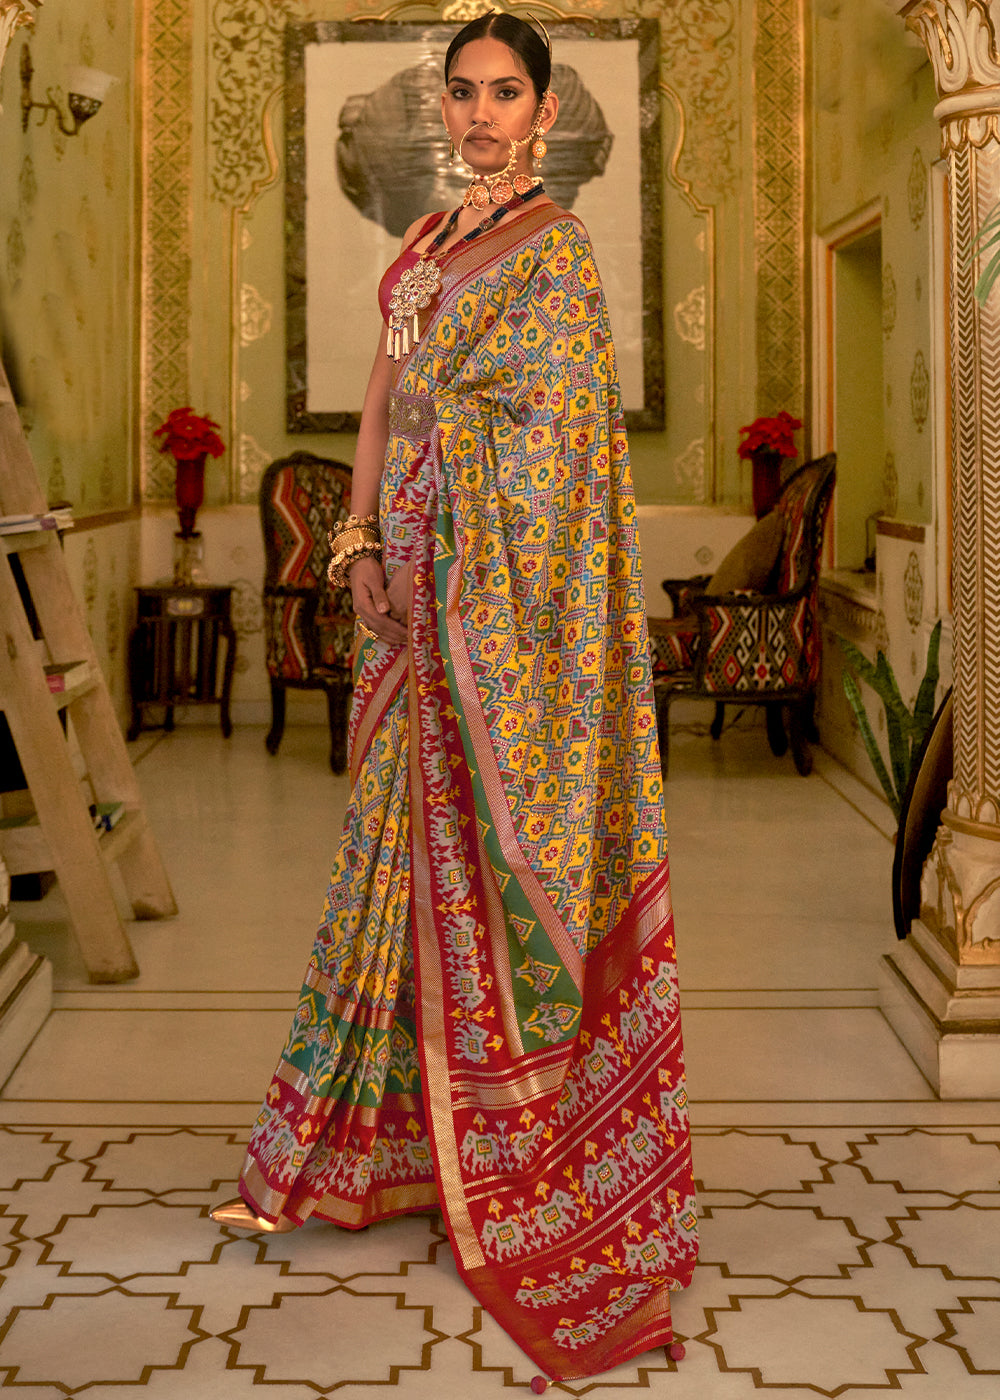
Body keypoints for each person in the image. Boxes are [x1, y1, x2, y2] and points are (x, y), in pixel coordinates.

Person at [211, 12, 698, 1385]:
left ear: (544, 112)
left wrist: (449, 533)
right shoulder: (424, 249)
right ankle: (339, 1153)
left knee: (484, 872)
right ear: (446, 103)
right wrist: (360, 544)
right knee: (387, 868)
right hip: (408, 605)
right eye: (465, 91)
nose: (482, 113)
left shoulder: (556, 256)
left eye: (506, 93)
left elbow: (558, 449)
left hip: (493, 619)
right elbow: (382, 400)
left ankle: (522, 1145)